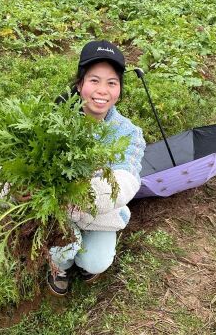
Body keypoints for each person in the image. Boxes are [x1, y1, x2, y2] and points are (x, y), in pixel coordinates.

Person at [47, 40, 146, 296]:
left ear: (120, 90)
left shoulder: (128, 132)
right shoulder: (53, 119)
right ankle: (60, 266)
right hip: (57, 211)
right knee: (62, 253)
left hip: (98, 213)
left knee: (95, 262)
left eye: (112, 82)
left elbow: (126, 179)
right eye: (94, 80)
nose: (102, 90)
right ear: (80, 84)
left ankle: (87, 256)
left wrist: (85, 193)